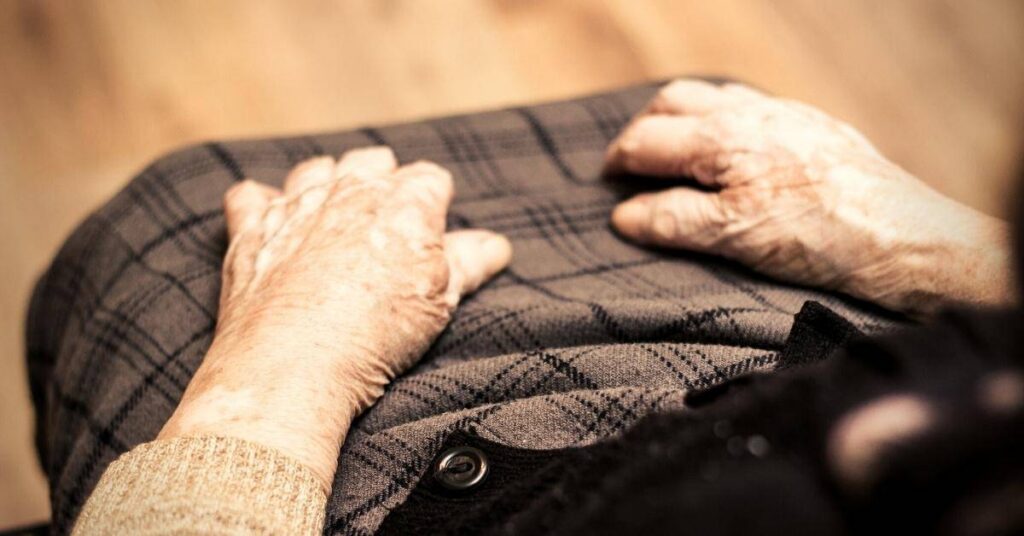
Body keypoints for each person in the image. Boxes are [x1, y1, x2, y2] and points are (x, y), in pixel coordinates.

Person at [67, 80, 1020, 534]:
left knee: (178, 220)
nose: (884, 429)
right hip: (746, 399)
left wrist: (267, 379)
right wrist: (947, 250)